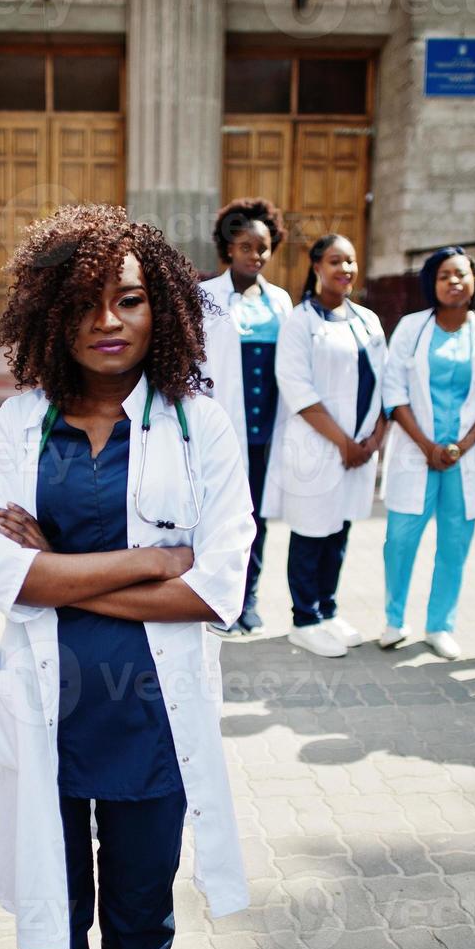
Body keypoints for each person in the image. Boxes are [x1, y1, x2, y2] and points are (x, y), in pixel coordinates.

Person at [0, 204, 253, 949]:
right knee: (51, 930)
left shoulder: (201, 427)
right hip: (46, 709)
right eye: (85, 301)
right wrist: (153, 561)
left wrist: (56, 570)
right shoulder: (19, 424)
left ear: (159, 307)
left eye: (128, 299)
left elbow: (216, 588)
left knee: (139, 926)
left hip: (149, 717)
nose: (108, 320)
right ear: (51, 313)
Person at [380, 246, 475, 660]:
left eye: (462, 274)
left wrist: (460, 447)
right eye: (444, 276)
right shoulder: (411, 328)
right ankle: (394, 619)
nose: (454, 282)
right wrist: (426, 445)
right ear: (432, 285)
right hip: (416, 451)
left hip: (465, 458)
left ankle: (440, 625)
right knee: (399, 540)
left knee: (455, 544)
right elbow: (394, 391)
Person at [261, 234, 386, 659]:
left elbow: (384, 385)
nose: (345, 269)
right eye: (335, 261)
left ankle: (329, 611)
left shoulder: (368, 319)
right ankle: (304, 619)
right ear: (316, 267)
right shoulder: (300, 321)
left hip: (358, 451)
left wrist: (372, 440)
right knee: (312, 533)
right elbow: (297, 388)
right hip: (318, 448)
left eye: (350, 261)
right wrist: (343, 442)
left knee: (340, 530)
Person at [199, 197, 293, 636]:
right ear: (228, 248)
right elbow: (195, 369)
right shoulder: (205, 298)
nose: (255, 255)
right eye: (246, 247)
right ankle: (217, 600)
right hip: (222, 430)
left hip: (266, 431)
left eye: (264, 247)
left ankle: (248, 599)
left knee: (257, 518)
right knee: (220, 516)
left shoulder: (281, 302)